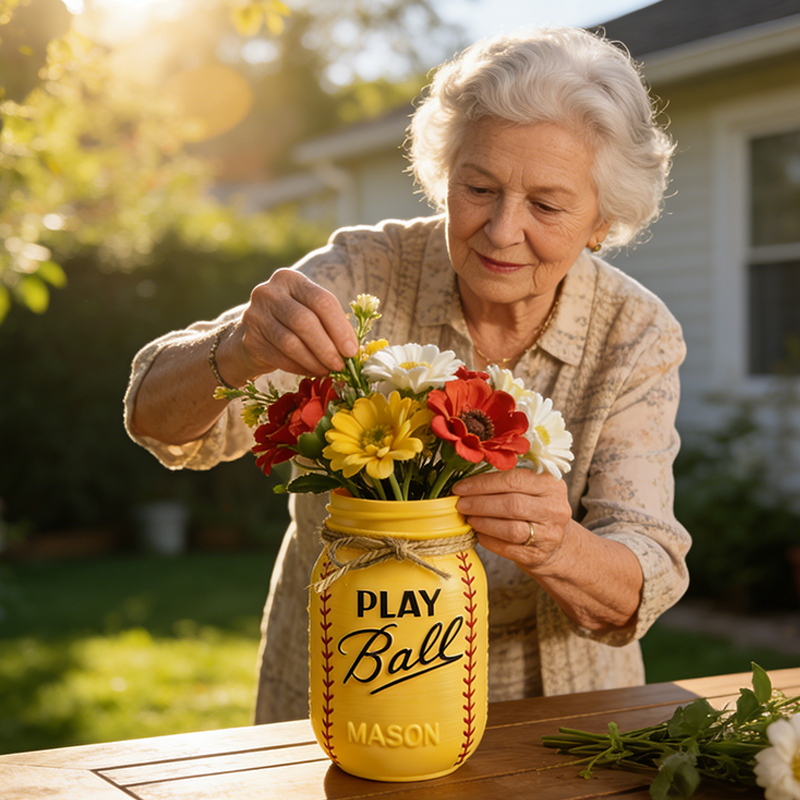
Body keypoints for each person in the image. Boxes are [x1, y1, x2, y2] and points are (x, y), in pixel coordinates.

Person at [125, 27, 690, 723]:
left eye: (546, 205)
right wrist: (239, 346)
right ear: (444, 178)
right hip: (348, 687)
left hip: (556, 715)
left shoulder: (635, 332)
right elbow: (159, 423)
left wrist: (557, 542)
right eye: (478, 188)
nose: (502, 230)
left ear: (602, 220)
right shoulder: (361, 275)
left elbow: (646, 571)